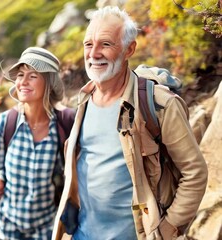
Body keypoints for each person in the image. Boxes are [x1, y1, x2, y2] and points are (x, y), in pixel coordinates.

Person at [52, 6, 208, 240]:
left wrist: (166, 230)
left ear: (129, 49)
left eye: (106, 44)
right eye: (88, 44)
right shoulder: (83, 99)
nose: (93, 53)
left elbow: (195, 173)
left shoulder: (160, 104)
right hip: (83, 234)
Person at [0, 46, 75, 240]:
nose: (23, 82)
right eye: (20, 75)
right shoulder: (5, 122)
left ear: (49, 82)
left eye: (33, 76)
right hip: (10, 228)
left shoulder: (65, 124)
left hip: (49, 228)